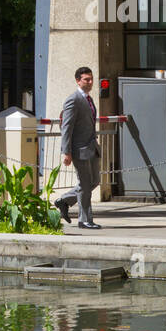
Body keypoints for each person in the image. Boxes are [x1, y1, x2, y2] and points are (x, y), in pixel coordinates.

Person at [54, 66, 101, 229]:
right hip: (79, 149)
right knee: (85, 184)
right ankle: (85, 220)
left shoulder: (89, 99)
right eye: (86, 80)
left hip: (91, 147)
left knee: (95, 181)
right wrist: (66, 152)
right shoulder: (73, 99)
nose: (89, 82)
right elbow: (67, 127)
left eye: (91, 79)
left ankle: (64, 200)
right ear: (78, 81)